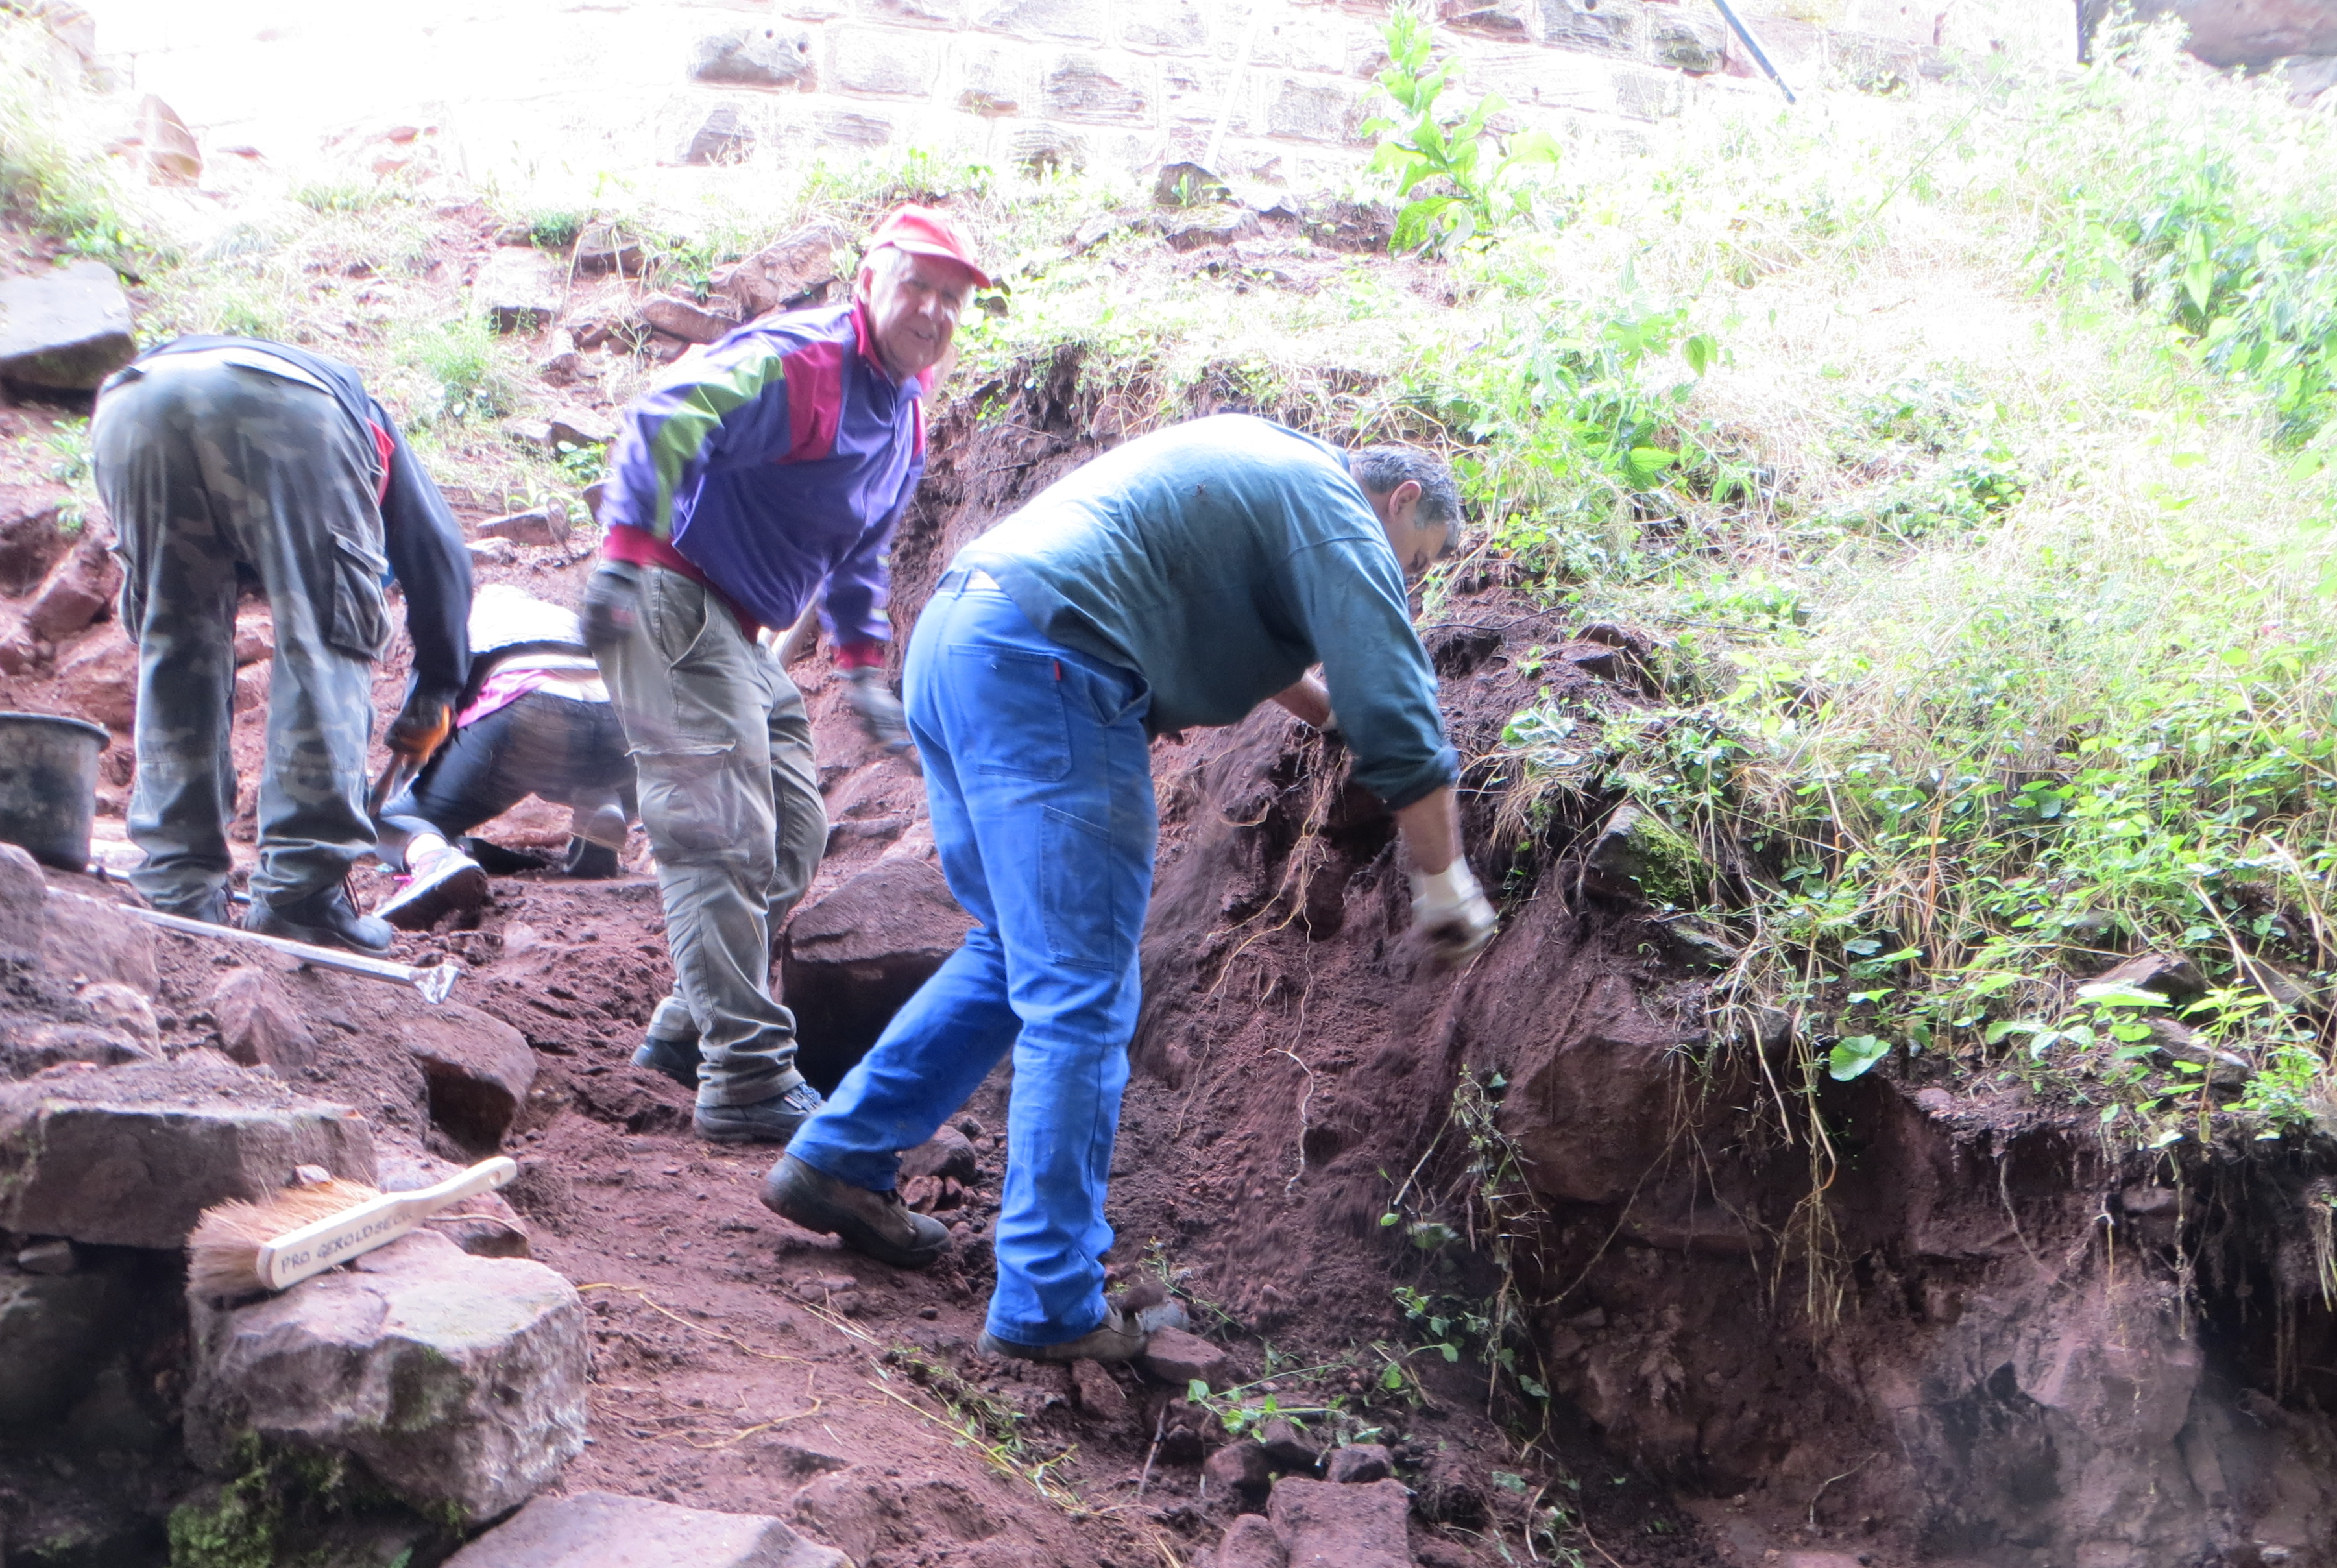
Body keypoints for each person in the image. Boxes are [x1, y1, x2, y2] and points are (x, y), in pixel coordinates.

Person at [764, 416, 1499, 1365]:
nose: (1410, 579)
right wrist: (1443, 877)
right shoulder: (1337, 512)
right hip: (1050, 670)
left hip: (961, 643)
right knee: (1083, 992)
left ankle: (840, 1158)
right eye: (1419, 558)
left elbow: (1219, 618)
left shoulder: (1264, 466)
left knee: (1015, 950)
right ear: (1400, 501)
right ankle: (1049, 1302)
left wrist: (1327, 714)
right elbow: (1397, 705)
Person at [583, 204, 987, 1143]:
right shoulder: (803, 363)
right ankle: (747, 1076)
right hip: (668, 591)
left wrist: (862, 667)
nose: (933, 311)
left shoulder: (905, 414)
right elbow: (667, 415)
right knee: (723, 835)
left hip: (737, 625)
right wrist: (622, 557)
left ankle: (692, 1024)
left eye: (953, 298)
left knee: (795, 834)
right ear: (871, 282)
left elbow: (860, 553)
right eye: (917, 286)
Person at [91, 335, 471, 952]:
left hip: (136, 401)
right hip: (287, 407)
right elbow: (441, 562)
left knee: (176, 642)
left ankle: (178, 887)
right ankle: (301, 894)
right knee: (325, 637)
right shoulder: (373, 434)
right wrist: (438, 689)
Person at [373, 585, 640, 928]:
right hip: (617, 721)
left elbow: (429, 715)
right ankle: (600, 804)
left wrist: (403, 795)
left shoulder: (464, 621)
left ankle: (433, 856)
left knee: (386, 821)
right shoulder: (563, 619)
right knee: (585, 757)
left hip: (529, 709)